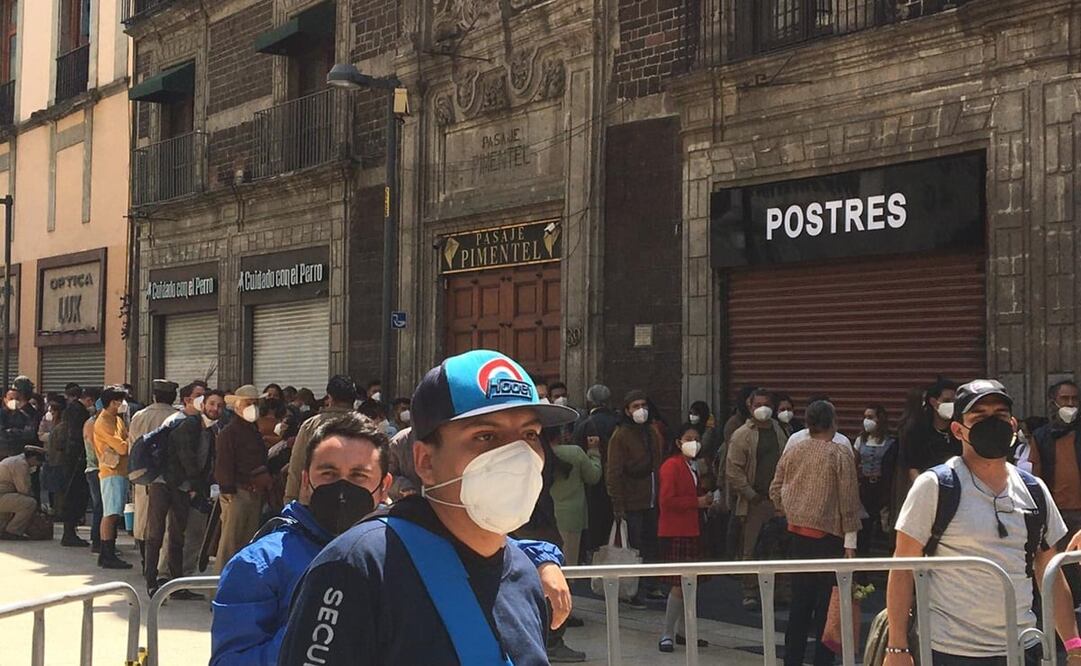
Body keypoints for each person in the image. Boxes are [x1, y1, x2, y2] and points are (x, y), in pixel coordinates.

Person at [279, 350, 579, 664]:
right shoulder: (358, 567)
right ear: (425, 461)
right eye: (486, 435)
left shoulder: (523, 574)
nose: (517, 455)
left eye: (530, 434)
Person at [886, 380, 1081, 666]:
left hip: (1022, 649)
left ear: (1013, 424)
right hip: (949, 652)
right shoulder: (936, 486)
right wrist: (897, 648)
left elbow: (1048, 572)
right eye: (979, 418)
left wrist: (1074, 646)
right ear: (958, 430)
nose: (992, 424)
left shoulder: (1034, 490)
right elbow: (902, 567)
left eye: (1000, 416)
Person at [211, 413, 393, 665]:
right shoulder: (261, 564)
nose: (342, 489)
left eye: (358, 476)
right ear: (307, 481)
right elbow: (231, 660)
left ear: (384, 487)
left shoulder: (398, 556)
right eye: (328, 474)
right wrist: (316, 627)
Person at [770, 400, 860, 666]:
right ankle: (823, 660)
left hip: (797, 533)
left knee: (799, 604)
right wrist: (851, 542)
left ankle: (792, 659)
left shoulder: (794, 450)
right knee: (826, 606)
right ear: (833, 421)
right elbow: (849, 500)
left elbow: (775, 487)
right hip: (829, 537)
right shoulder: (839, 453)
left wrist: (790, 509)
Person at [726, 388, 788, 610]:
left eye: (766, 404)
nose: (763, 408)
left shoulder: (779, 430)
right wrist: (750, 495)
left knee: (778, 546)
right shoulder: (743, 434)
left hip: (777, 499)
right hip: (754, 500)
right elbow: (733, 470)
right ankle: (750, 591)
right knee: (750, 547)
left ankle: (779, 590)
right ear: (750, 407)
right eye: (757, 404)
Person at [144, 382, 206, 598]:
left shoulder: (195, 421)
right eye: (199, 395)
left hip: (176, 484)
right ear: (187, 399)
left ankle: (174, 583)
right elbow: (185, 457)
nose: (203, 399)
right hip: (168, 484)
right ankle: (153, 581)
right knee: (158, 533)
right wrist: (197, 485)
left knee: (176, 535)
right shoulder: (180, 422)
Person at [606, 388, 664, 609]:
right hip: (631, 500)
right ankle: (633, 589)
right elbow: (613, 472)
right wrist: (617, 504)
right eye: (636, 407)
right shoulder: (620, 436)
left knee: (652, 543)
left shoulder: (651, 432)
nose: (641, 410)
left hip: (651, 497)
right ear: (627, 411)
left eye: (644, 405)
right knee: (634, 545)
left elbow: (657, 462)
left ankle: (652, 584)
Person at [658, 424, 713, 653]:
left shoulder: (693, 466)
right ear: (679, 442)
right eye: (689, 438)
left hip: (693, 529)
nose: (694, 443)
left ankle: (683, 631)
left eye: (697, 438)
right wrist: (696, 503)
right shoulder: (671, 466)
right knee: (680, 584)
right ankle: (667, 633)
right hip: (678, 530)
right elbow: (667, 500)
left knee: (690, 584)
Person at [1030, 380, 1081, 605]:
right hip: (1056, 515)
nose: (1070, 404)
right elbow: (1036, 477)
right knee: (1058, 570)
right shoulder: (1041, 437)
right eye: (1064, 399)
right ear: (1053, 402)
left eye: (1074, 399)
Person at [215, 385, 272, 572]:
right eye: (249, 403)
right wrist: (228, 490)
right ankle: (218, 586)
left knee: (247, 542)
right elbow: (223, 463)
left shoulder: (253, 430)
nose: (253, 407)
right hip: (237, 492)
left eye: (255, 403)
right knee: (230, 543)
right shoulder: (229, 433)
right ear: (238, 405)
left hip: (255, 492)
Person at [283, 375, 358, 504]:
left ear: (329, 397)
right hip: (355, 502)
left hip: (314, 500)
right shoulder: (366, 426)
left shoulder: (310, 425)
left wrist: (290, 500)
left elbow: (297, 466)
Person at [129, 380, 180, 565]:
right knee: (167, 524)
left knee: (143, 519)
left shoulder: (139, 416)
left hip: (143, 475)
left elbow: (132, 447)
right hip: (168, 478)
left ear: (154, 395)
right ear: (173, 397)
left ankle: (146, 561)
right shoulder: (177, 417)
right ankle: (162, 565)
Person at [571, 384, 619, 555]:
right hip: (618, 481)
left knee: (593, 522)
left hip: (591, 483)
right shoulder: (618, 422)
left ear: (590, 402)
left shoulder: (584, 425)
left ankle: (592, 556)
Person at [93, 385, 134, 569]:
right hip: (111, 472)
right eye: (119, 400)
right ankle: (106, 553)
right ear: (112, 402)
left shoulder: (116, 420)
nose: (122, 403)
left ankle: (108, 552)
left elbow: (126, 438)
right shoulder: (103, 422)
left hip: (120, 471)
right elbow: (123, 447)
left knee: (114, 513)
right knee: (110, 514)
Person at [552, 429, 603, 567]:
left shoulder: (539, 453)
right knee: (569, 563)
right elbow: (593, 476)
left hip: (544, 517)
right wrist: (593, 452)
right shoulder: (575, 452)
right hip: (571, 516)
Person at [855, 404, 898, 557]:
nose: (867, 421)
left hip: (882, 488)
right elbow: (854, 462)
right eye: (865, 417)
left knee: (884, 526)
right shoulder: (860, 440)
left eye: (870, 417)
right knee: (864, 528)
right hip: (865, 487)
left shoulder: (891, 442)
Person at [900, 377, 960, 480]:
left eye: (955, 401)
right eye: (947, 401)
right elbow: (913, 468)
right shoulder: (916, 432)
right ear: (933, 402)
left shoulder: (960, 430)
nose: (952, 405)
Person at [58, 390, 92, 547]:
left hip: (69, 458)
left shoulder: (70, 410)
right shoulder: (80, 412)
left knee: (70, 494)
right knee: (75, 495)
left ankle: (69, 531)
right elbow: (78, 436)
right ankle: (70, 532)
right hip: (77, 460)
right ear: (89, 400)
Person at [0, 444, 45, 540]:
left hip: (4, 494)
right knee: (29, 503)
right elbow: (23, 489)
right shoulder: (21, 464)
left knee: (15, 503)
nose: (38, 465)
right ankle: (13, 531)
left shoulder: (14, 460)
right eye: (38, 461)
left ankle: (4, 529)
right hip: (2, 495)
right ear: (33, 458)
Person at [81, 388, 103, 553]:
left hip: (95, 469)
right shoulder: (93, 423)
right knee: (100, 507)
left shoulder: (93, 422)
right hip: (96, 469)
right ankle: (98, 541)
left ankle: (100, 540)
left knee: (101, 507)